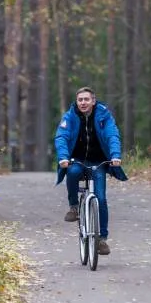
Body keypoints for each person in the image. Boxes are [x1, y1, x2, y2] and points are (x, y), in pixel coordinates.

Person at [54, 86, 126, 255]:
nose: (83, 102)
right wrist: (63, 157)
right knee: (72, 173)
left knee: (101, 198)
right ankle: (74, 207)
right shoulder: (70, 116)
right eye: (80, 100)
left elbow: (112, 135)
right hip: (76, 160)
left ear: (93, 101)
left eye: (86, 99)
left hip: (98, 161)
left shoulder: (104, 115)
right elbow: (61, 137)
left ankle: (102, 239)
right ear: (76, 102)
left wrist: (115, 155)